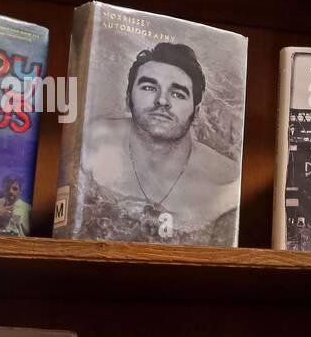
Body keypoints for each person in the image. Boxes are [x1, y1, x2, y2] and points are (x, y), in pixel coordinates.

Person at [82, 42, 240, 242]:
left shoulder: (225, 186)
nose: (162, 100)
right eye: (149, 87)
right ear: (127, 98)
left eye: (178, 94)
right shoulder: (93, 144)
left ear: (197, 112)